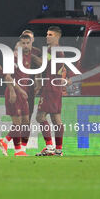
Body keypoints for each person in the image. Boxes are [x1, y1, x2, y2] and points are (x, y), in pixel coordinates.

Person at [0, 34, 34, 156]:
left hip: (23, 93)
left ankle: (5, 141)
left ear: (31, 43)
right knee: (17, 123)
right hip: (14, 93)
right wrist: (15, 91)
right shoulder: (14, 58)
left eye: (27, 43)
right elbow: (7, 76)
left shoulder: (28, 56)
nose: (25, 45)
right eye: (22, 43)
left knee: (25, 121)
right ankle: (17, 150)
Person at [34, 26, 65, 156]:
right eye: (47, 34)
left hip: (50, 88)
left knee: (40, 117)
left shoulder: (53, 50)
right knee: (56, 118)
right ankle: (58, 149)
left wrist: (30, 53)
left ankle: (50, 147)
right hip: (55, 88)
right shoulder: (58, 51)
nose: (47, 36)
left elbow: (41, 63)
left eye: (50, 34)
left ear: (57, 36)